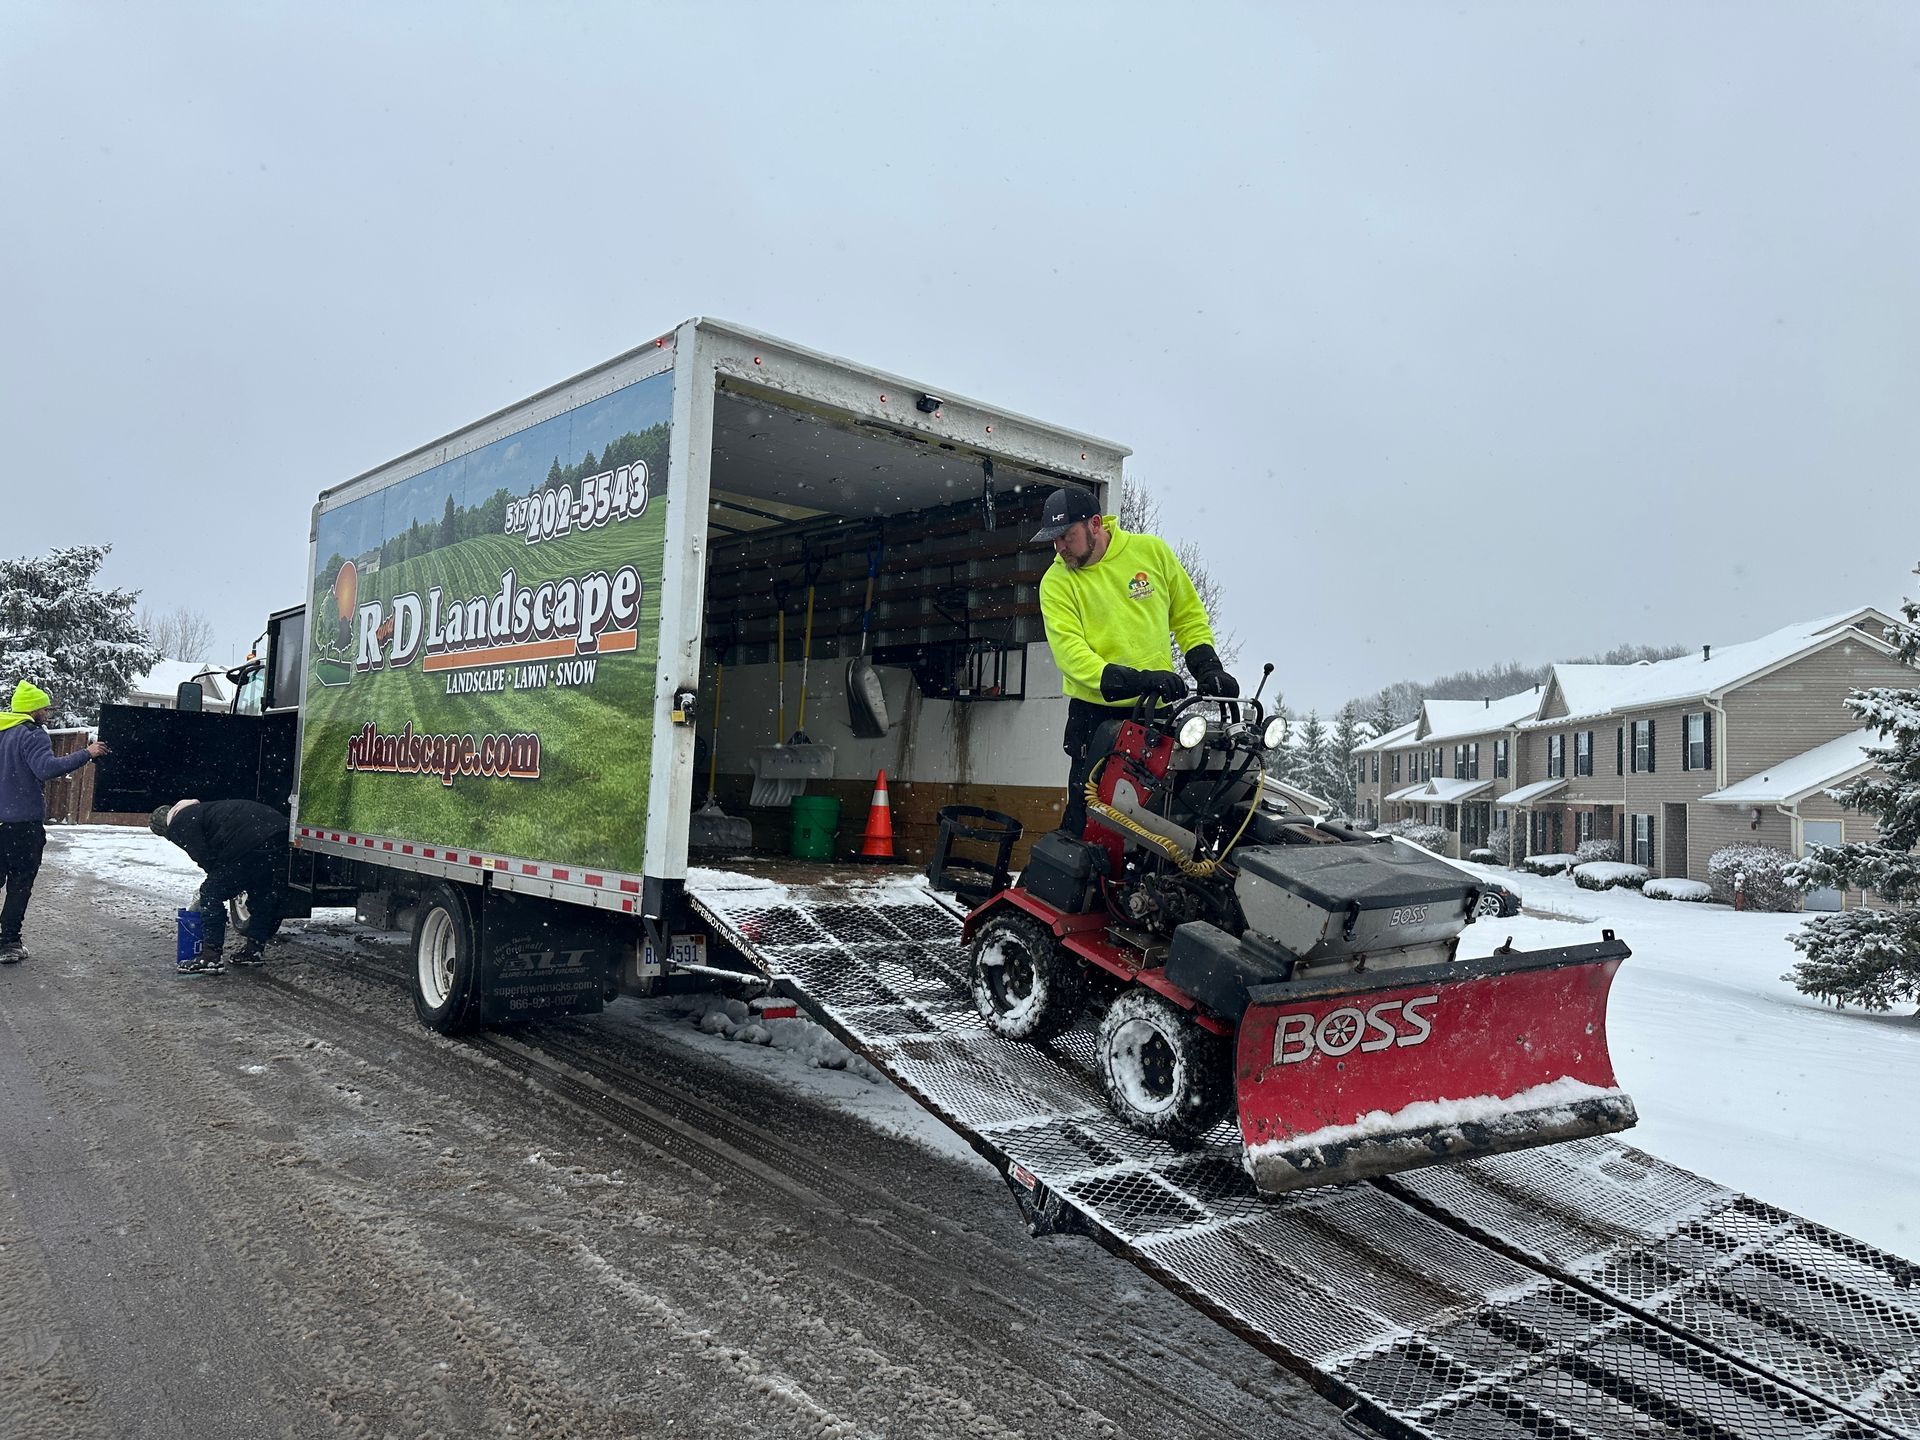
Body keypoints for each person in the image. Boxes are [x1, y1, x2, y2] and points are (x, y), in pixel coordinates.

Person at [1032, 486, 1237, 835]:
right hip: (1096, 719)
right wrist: (1138, 679)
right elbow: (1073, 655)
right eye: (1055, 540)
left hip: (1156, 715)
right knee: (1091, 821)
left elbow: (1187, 615)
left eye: (1067, 536)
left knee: (1160, 818)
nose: (1060, 547)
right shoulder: (1056, 582)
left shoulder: (1150, 553)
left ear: (1096, 524)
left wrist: (1207, 666)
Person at [0, 681, 110, 962]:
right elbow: (46, 768)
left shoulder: (3, 732)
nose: (47, 712)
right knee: (20, 882)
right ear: (33, 709)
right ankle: (8, 943)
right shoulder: (32, 734)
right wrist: (87, 753)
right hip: (21, 824)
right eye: (44, 707)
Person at [150, 798, 291, 974]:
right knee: (260, 890)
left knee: (210, 893)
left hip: (249, 840)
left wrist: (218, 879)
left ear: (164, 827)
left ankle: (211, 957)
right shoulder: (200, 811)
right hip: (279, 832)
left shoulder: (180, 822)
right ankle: (254, 950)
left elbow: (204, 855)